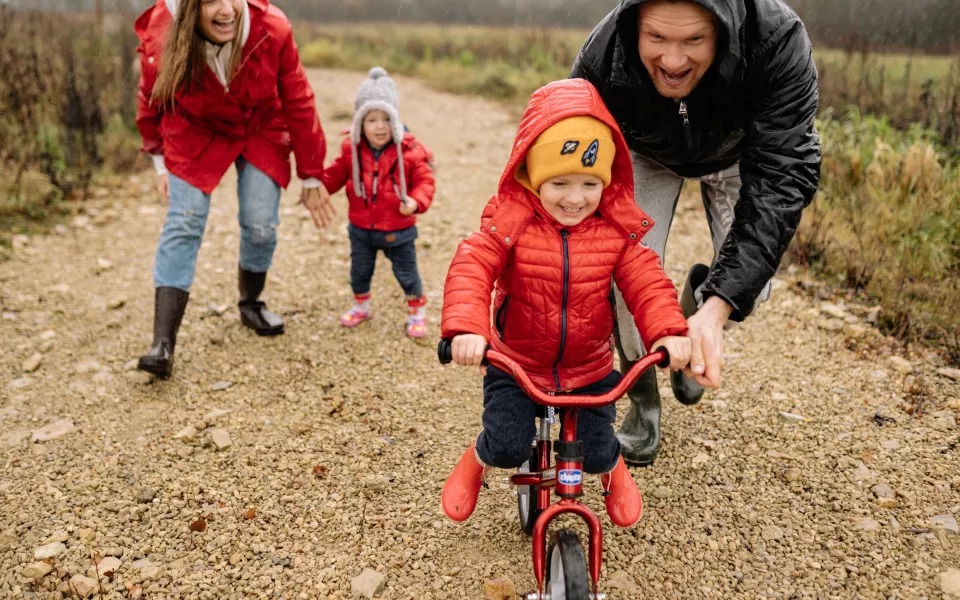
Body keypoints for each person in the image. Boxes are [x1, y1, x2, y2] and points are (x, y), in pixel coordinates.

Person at [570, 0, 822, 465]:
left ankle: (693, 316)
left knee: (753, 286)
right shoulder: (603, 53)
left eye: (693, 41)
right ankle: (642, 397)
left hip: (738, 153)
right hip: (643, 150)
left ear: (723, 30)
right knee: (623, 279)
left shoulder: (778, 41)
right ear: (635, 27)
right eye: (657, 39)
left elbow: (783, 179)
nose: (672, 61)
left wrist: (717, 306)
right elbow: (569, 154)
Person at [439, 79, 691, 528]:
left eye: (590, 183)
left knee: (596, 449)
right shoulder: (511, 221)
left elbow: (647, 281)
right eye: (559, 182)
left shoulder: (615, 232)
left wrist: (668, 331)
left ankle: (613, 470)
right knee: (506, 443)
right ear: (533, 176)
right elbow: (473, 264)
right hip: (516, 362)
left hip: (588, 368)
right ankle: (477, 460)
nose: (575, 199)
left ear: (607, 180)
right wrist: (467, 329)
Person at [133, 0, 335, 378]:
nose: (227, 9)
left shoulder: (271, 28)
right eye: (210, 1)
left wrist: (311, 174)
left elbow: (298, 99)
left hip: (259, 126)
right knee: (185, 221)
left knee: (260, 224)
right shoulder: (162, 34)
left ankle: (251, 302)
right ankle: (163, 344)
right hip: (194, 130)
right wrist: (159, 160)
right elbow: (150, 98)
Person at [321, 68, 436, 338]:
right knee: (359, 271)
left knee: (407, 274)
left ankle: (417, 311)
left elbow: (426, 182)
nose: (380, 126)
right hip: (361, 228)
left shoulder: (409, 152)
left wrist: (416, 202)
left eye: (386, 118)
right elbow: (336, 173)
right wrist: (318, 187)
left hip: (399, 229)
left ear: (395, 121)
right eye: (372, 119)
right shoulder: (352, 150)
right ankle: (361, 305)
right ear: (360, 123)